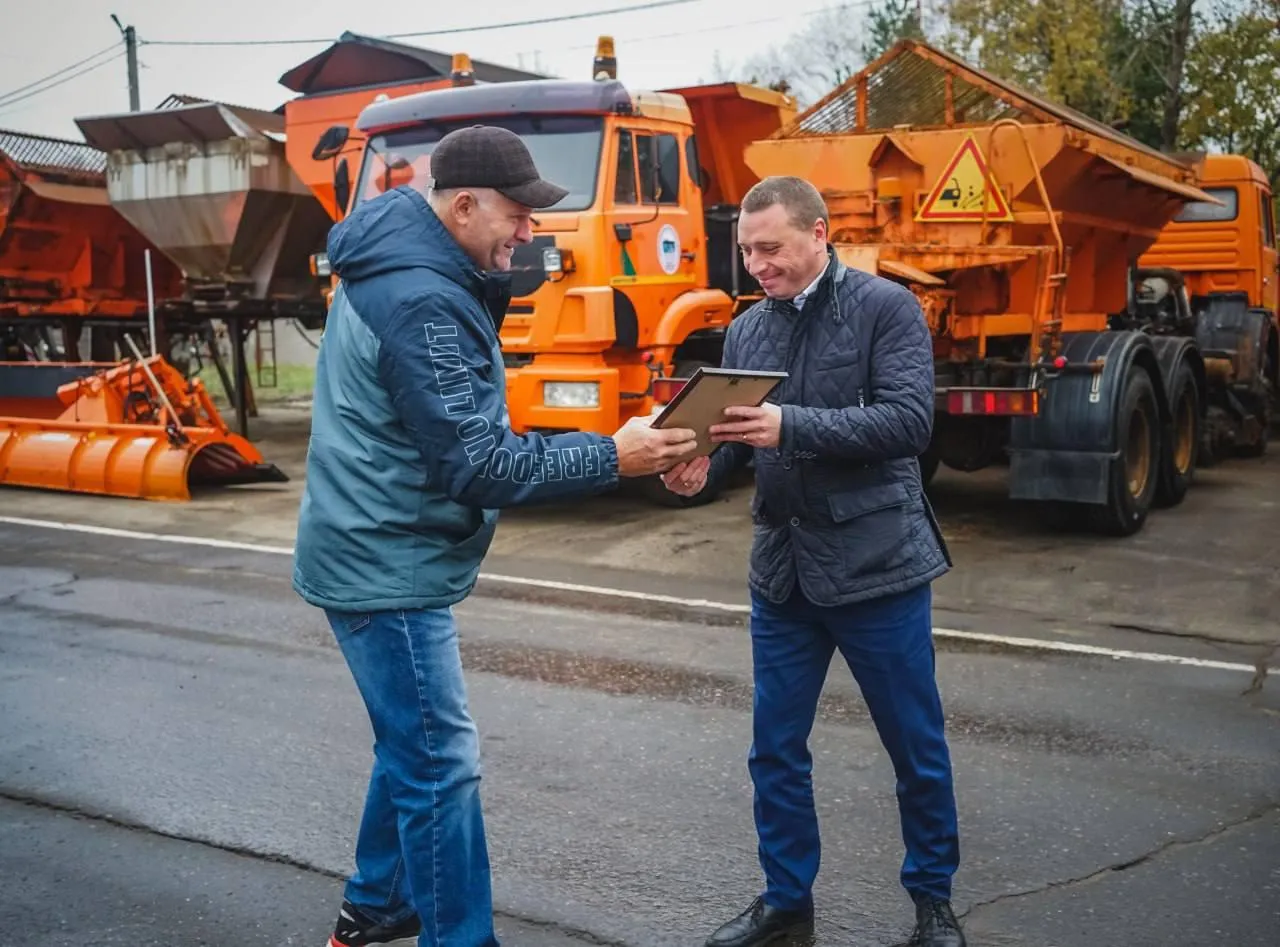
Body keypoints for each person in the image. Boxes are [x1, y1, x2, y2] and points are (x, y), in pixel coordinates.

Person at [292, 124, 697, 947]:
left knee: (413, 741)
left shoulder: (413, 261)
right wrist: (612, 455)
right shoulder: (422, 298)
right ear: (464, 204)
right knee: (442, 760)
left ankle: (376, 902)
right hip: (386, 559)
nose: (529, 231)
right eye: (517, 215)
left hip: (373, 540)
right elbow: (480, 465)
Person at [663, 176, 963, 947]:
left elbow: (908, 423)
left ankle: (933, 901)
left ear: (819, 234)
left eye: (772, 248)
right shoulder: (748, 330)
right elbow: (737, 435)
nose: (757, 264)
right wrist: (700, 467)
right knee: (774, 748)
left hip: (876, 566)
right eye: (748, 251)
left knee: (914, 746)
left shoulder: (885, 308)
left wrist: (788, 423)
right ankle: (785, 899)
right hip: (783, 571)